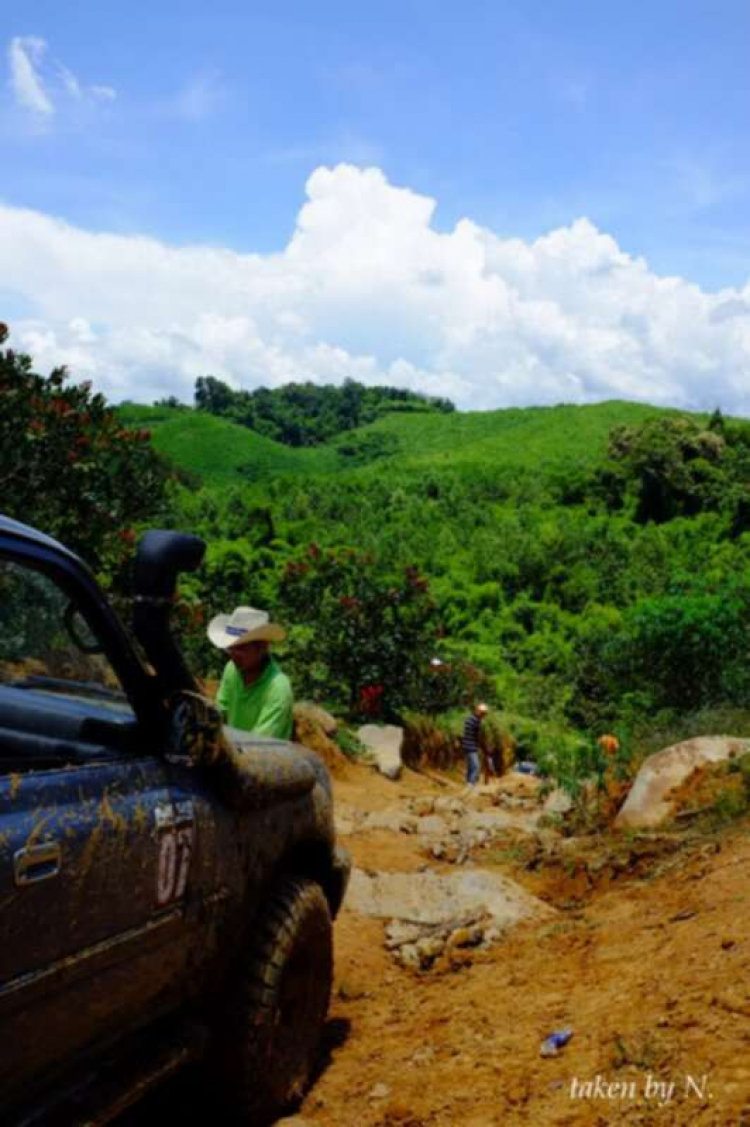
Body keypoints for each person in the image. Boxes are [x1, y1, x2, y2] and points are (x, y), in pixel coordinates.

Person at [208, 605, 293, 739]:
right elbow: (221, 712)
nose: (233, 655)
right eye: (231, 648)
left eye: (241, 648)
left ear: (262, 647)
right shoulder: (231, 669)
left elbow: (260, 745)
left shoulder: (278, 688)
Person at [461, 702, 488, 787]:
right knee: (476, 767)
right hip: (471, 747)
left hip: (466, 746)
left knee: (470, 767)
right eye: (482, 713)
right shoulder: (476, 722)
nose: (483, 715)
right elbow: (479, 737)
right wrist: (484, 747)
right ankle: (470, 784)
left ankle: (468, 782)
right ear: (477, 711)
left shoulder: (469, 719)